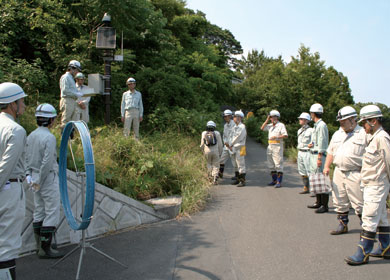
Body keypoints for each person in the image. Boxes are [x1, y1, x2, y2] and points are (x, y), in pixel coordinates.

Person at [345, 105, 390, 265]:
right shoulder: (373, 137)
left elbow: (389, 162)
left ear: (373, 121)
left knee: (369, 218)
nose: (363, 126)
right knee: (383, 218)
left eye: (364, 122)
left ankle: (363, 252)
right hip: (371, 184)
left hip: (377, 184)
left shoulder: (381, 138)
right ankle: (386, 248)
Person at [25, 104, 64, 259]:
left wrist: (31, 178)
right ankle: (46, 248)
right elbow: (47, 162)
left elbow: (26, 158)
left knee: (39, 210)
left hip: (33, 176)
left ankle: (39, 246)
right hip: (46, 178)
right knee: (52, 211)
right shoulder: (49, 137)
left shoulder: (30, 135)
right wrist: (40, 180)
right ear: (51, 120)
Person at [323, 106, 366, 235]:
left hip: (356, 172)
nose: (342, 124)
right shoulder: (338, 134)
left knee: (359, 202)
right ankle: (343, 224)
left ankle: (367, 229)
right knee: (339, 199)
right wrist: (326, 166)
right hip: (339, 171)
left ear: (353, 120)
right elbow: (330, 151)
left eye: (344, 121)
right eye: (340, 122)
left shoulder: (364, 134)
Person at [0, 82, 27, 280]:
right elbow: (5, 167)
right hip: (8, 189)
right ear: (12, 104)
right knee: (7, 246)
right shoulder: (15, 130)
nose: (24, 105)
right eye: (22, 101)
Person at [307, 103, 329, 213]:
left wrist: (320, 157)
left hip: (319, 155)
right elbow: (317, 141)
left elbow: (323, 141)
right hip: (313, 154)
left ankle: (324, 205)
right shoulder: (316, 125)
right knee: (316, 180)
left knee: (322, 180)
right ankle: (318, 202)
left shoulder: (322, 125)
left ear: (313, 113)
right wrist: (311, 144)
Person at [261, 110, 288, 188]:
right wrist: (266, 119)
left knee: (278, 164)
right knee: (271, 164)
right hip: (270, 146)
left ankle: (279, 182)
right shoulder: (270, 125)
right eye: (270, 117)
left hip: (277, 146)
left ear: (276, 117)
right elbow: (262, 128)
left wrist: (277, 136)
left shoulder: (281, 125)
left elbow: (285, 135)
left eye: (272, 117)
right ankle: (274, 180)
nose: (271, 118)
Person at [59, 60, 83, 130]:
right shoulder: (66, 77)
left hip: (72, 101)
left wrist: (76, 94)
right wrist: (76, 94)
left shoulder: (71, 78)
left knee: (71, 121)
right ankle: (64, 139)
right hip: (67, 100)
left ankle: (70, 139)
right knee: (65, 121)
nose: (77, 72)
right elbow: (65, 91)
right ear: (72, 68)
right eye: (77, 70)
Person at [229, 111, 247, 187]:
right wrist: (229, 145)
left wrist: (230, 144)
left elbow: (238, 137)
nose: (236, 118)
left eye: (238, 117)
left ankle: (242, 181)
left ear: (241, 118)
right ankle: (237, 179)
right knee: (235, 164)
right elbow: (230, 137)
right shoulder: (234, 127)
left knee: (241, 164)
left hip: (240, 147)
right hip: (233, 147)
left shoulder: (242, 127)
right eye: (235, 117)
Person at [219, 109, 238, 180]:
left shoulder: (235, 124)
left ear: (230, 116)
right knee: (221, 160)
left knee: (234, 162)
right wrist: (225, 143)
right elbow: (224, 135)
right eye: (224, 116)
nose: (224, 118)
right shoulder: (225, 125)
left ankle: (237, 176)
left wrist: (231, 144)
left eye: (226, 116)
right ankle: (220, 174)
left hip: (232, 146)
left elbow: (236, 136)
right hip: (226, 146)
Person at [296, 112, 313, 194]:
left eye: (301, 119)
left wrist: (312, 145)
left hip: (307, 152)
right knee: (302, 170)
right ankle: (306, 187)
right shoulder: (299, 130)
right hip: (300, 151)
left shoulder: (311, 130)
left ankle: (313, 190)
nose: (299, 120)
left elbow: (314, 142)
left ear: (306, 120)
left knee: (309, 171)